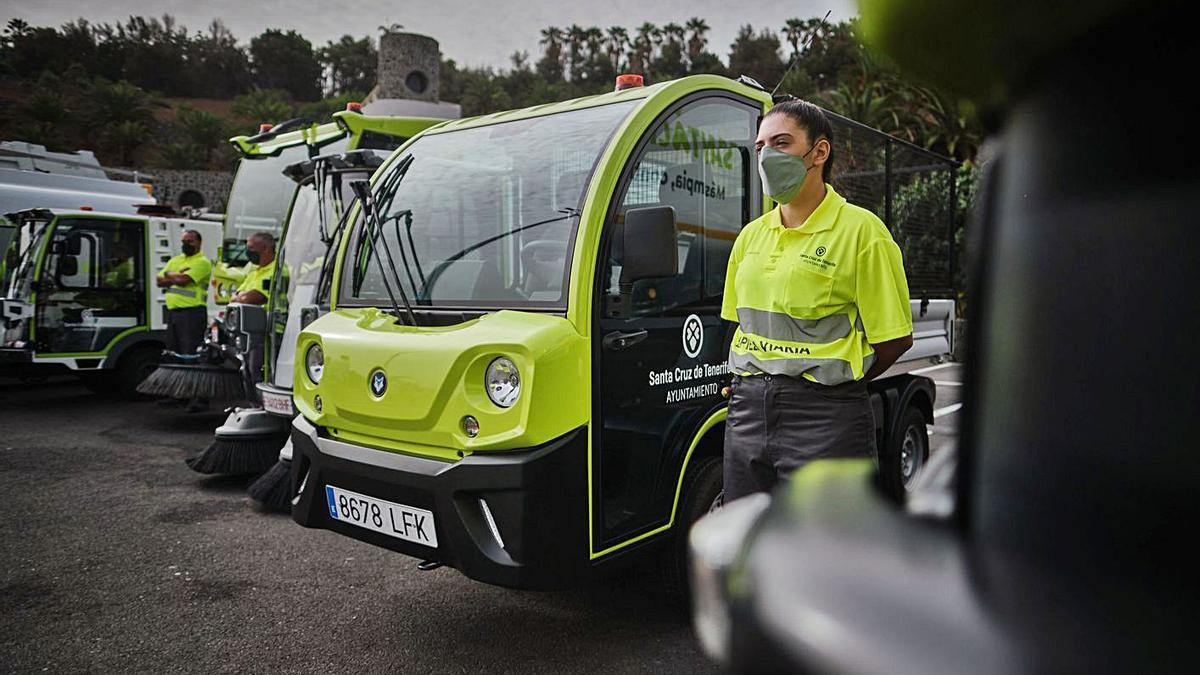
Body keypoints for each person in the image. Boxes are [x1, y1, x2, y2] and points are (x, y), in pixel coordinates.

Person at [721, 99, 914, 502]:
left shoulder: (863, 233)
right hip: (748, 411)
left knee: (827, 548)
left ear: (819, 152)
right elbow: (738, 324)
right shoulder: (750, 237)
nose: (767, 156)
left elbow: (894, 339)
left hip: (828, 416)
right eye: (760, 147)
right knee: (749, 536)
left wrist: (833, 382)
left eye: (781, 143)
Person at [156, 229, 212, 410]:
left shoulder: (202, 262)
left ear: (198, 243)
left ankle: (199, 398)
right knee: (174, 354)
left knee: (192, 356)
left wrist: (172, 276)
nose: (185, 244)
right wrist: (175, 276)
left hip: (192, 314)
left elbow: (182, 279)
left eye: (189, 241)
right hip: (174, 313)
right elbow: (159, 280)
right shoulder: (176, 260)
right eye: (183, 241)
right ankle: (178, 394)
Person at [230, 232, 276, 384]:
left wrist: (241, 297)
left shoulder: (276, 270)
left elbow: (253, 298)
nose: (247, 252)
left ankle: (260, 403)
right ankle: (254, 404)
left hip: (268, 331)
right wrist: (241, 297)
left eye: (250, 248)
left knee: (258, 373)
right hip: (249, 332)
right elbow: (234, 297)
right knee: (247, 371)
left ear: (265, 248)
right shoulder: (255, 272)